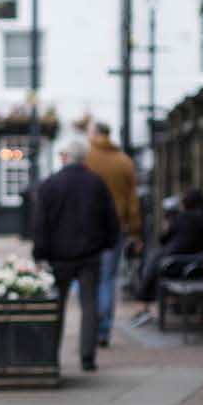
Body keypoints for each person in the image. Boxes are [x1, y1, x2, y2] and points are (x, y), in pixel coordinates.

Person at [30, 131, 119, 374]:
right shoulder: (96, 183)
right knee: (89, 306)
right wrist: (108, 243)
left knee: (56, 307)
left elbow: (40, 224)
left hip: (59, 258)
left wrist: (39, 254)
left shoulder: (50, 185)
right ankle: (87, 357)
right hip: (90, 255)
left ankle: (52, 357)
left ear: (65, 156)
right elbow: (110, 218)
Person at [82, 122, 140, 350]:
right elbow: (133, 201)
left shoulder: (86, 157)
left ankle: (92, 326)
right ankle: (104, 329)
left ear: (95, 134)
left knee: (88, 279)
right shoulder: (124, 161)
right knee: (108, 279)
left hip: (87, 228)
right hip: (116, 227)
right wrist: (135, 230)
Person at [130, 189, 203, 326]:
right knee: (152, 260)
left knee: (151, 260)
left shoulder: (182, 218)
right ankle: (143, 307)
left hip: (175, 265)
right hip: (195, 265)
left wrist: (169, 225)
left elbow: (163, 239)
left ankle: (143, 307)